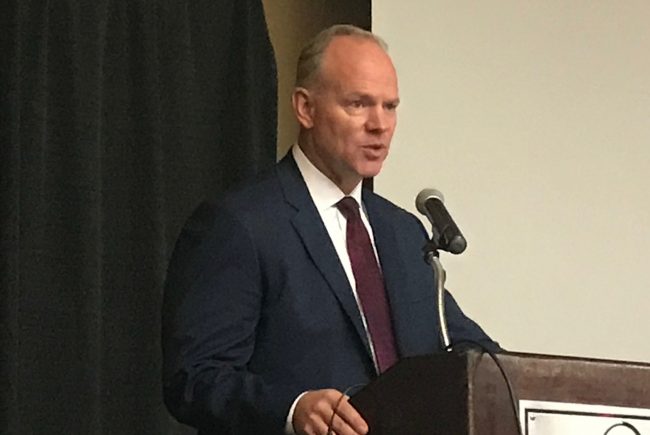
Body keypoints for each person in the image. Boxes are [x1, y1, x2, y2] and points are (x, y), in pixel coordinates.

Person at [162, 24, 498, 435]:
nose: (379, 124)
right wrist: (292, 409)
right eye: (359, 104)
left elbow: (475, 357)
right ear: (305, 108)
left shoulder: (404, 233)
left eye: (390, 106)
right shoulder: (240, 224)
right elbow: (195, 377)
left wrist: (520, 382)